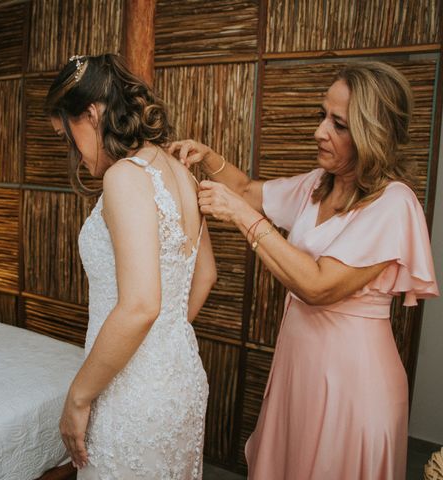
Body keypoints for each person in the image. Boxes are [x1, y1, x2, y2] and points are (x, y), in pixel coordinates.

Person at [169, 62, 439, 479]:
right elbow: (246, 191)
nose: (320, 131)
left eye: (339, 124)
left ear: (374, 132)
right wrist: (210, 158)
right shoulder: (318, 185)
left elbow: (318, 285)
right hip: (301, 368)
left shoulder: (394, 204)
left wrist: (243, 218)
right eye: (322, 116)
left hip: (354, 385)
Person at [45, 53, 217, 479]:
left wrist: (79, 398)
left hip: (134, 391)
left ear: (91, 113)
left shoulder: (124, 176)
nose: (72, 150)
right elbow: (205, 273)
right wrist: (161, 344)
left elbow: (140, 305)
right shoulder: (180, 171)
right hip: (180, 377)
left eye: (68, 136)